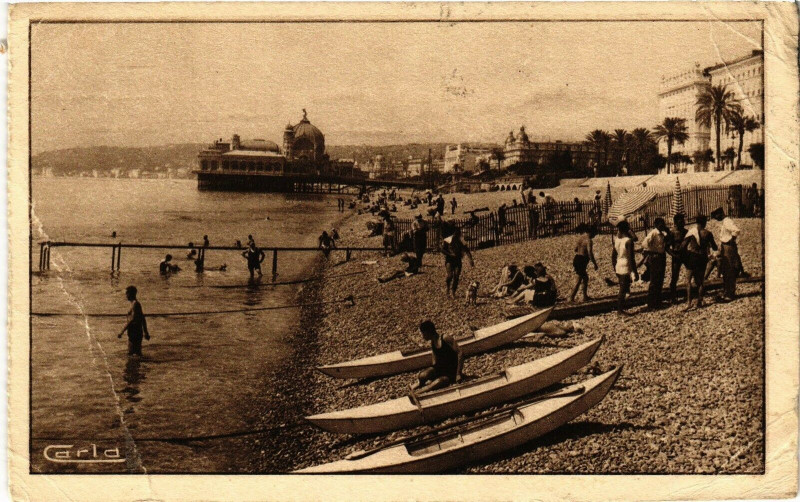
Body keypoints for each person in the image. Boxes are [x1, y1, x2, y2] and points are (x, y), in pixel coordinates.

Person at [410, 320, 462, 394]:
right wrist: (431, 372)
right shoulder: (433, 342)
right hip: (440, 368)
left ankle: (419, 392)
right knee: (422, 375)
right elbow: (434, 360)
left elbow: (460, 353)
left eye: (423, 334)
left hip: (451, 371)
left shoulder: (445, 338)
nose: (422, 336)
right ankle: (420, 384)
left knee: (439, 382)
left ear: (428, 332)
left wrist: (458, 374)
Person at [681, 215, 717, 310]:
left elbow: (683, 246)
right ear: (705, 223)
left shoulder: (692, 232)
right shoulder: (708, 233)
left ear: (696, 222)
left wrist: (686, 255)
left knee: (688, 281)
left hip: (693, 256)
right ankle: (699, 301)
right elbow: (714, 247)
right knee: (700, 281)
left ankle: (689, 303)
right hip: (702, 257)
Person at [711, 207, 741, 300]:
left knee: (729, 269)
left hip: (728, 246)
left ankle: (730, 293)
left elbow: (736, 230)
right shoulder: (725, 221)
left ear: (720, 214)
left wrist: (731, 240)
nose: (716, 219)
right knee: (726, 269)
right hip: (725, 246)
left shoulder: (727, 221)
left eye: (716, 216)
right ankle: (727, 291)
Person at [641, 217, 669, 310]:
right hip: (655, 257)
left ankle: (658, 301)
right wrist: (651, 251)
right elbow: (644, 244)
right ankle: (651, 303)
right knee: (654, 280)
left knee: (660, 279)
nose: (662, 226)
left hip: (661, 256)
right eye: (660, 224)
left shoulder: (662, 234)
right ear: (656, 225)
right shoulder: (653, 233)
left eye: (663, 224)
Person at [613, 220, 638, 315]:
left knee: (623, 287)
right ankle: (620, 310)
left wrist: (614, 267)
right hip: (625, 265)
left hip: (618, 264)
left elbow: (613, 256)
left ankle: (621, 308)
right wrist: (634, 271)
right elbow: (631, 258)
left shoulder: (617, 240)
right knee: (623, 289)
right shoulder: (629, 241)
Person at [569, 224, 599, 303]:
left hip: (577, 258)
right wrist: (595, 264)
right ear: (591, 232)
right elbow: (590, 253)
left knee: (585, 278)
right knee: (579, 279)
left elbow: (575, 249)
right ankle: (571, 297)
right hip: (582, 260)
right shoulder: (589, 240)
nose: (595, 236)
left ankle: (585, 296)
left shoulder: (581, 237)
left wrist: (581, 249)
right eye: (595, 234)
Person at [441, 227, 474, 298]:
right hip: (449, 260)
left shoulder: (461, 240)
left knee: (456, 276)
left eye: (458, 234)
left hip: (458, 260)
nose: (457, 236)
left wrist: (470, 259)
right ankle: (448, 289)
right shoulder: (448, 240)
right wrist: (450, 254)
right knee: (450, 275)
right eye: (455, 234)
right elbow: (442, 250)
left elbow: (467, 250)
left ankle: (453, 291)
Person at [118, 286, 150, 356]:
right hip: (134, 331)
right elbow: (143, 318)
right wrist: (146, 332)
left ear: (130, 294)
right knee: (134, 353)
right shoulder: (134, 304)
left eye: (127, 293)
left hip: (135, 332)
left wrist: (122, 331)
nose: (126, 295)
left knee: (132, 353)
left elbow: (132, 320)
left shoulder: (135, 304)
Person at [667, 213, 688, 303]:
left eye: (683, 221)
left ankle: (692, 293)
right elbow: (667, 247)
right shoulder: (672, 233)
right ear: (676, 223)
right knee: (675, 276)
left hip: (685, 254)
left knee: (691, 273)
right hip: (676, 255)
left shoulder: (686, 232)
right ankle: (673, 297)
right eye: (680, 222)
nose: (682, 223)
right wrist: (673, 255)